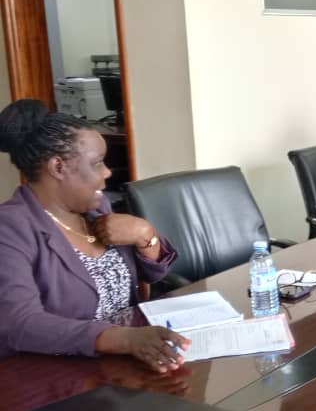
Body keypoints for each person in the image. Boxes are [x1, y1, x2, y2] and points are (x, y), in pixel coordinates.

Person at [0, 99, 188, 371]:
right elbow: (21, 324)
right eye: (97, 163)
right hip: (54, 377)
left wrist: (145, 234)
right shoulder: (11, 227)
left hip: (124, 365)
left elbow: (155, 275)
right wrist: (124, 339)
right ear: (58, 167)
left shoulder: (96, 209)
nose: (108, 172)